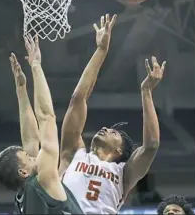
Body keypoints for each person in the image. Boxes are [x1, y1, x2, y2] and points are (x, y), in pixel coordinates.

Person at [59, 13, 167, 214]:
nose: (104, 129)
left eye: (113, 132)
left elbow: (151, 145)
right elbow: (77, 100)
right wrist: (101, 50)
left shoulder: (124, 173)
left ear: (120, 151)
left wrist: (146, 92)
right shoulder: (73, 153)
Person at [0, 35, 83, 215]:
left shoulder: (22, 198)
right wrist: (36, 66)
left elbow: (31, 137)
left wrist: (21, 90)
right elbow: (47, 117)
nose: (34, 155)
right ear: (23, 172)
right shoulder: (44, 180)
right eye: (29, 157)